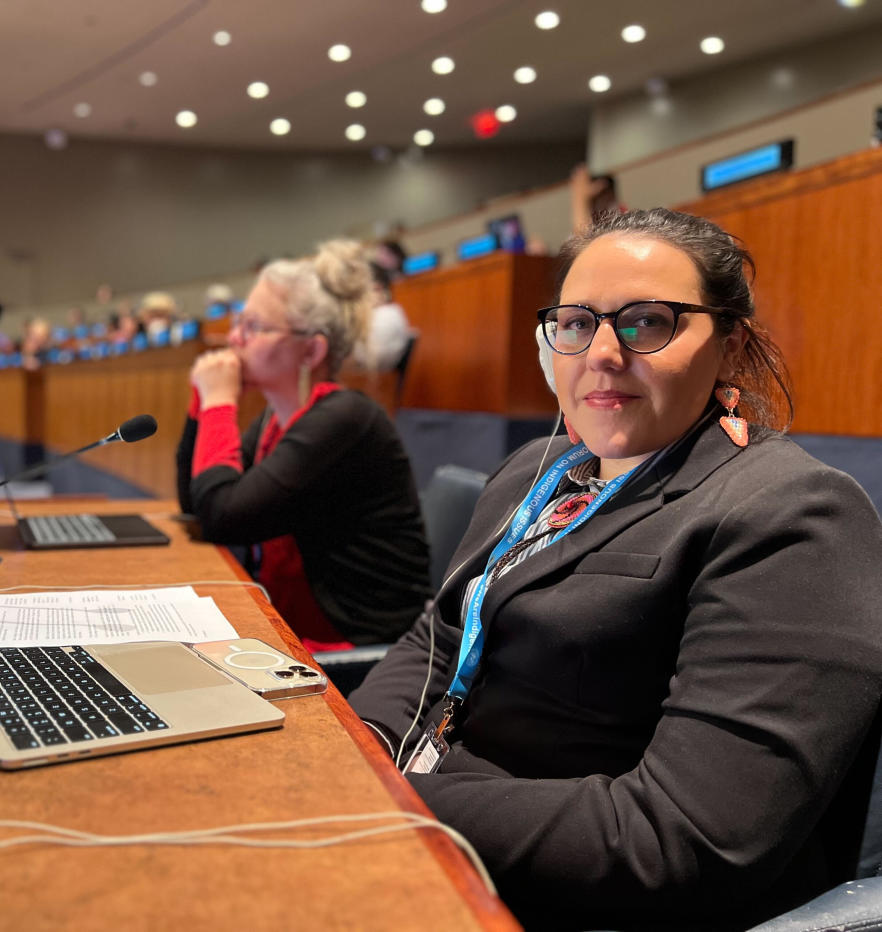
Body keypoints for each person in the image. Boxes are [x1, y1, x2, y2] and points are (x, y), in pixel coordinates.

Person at [349, 208, 882, 931]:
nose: (601, 352)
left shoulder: (792, 514)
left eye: (647, 322)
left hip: (563, 896)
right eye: (576, 323)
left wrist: (374, 797)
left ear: (732, 346)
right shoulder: (529, 476)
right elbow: (439, 636)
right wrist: (356, 750)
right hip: (410, 836)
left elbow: (682, 839)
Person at [176, 240, 431, 650]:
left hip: (359, 653)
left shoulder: (344, 420)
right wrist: (202, 406)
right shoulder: (274, 421)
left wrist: (220, 404)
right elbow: (198, 504)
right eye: (239, 322)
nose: (234, 339)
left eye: (254, 327)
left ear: (312, 350)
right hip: (293, 628)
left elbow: (221, 515)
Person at [353, 261, 413, 371]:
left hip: (375, 380)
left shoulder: (384, 316)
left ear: (376, 288)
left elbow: (371, 361)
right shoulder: (392, 311)